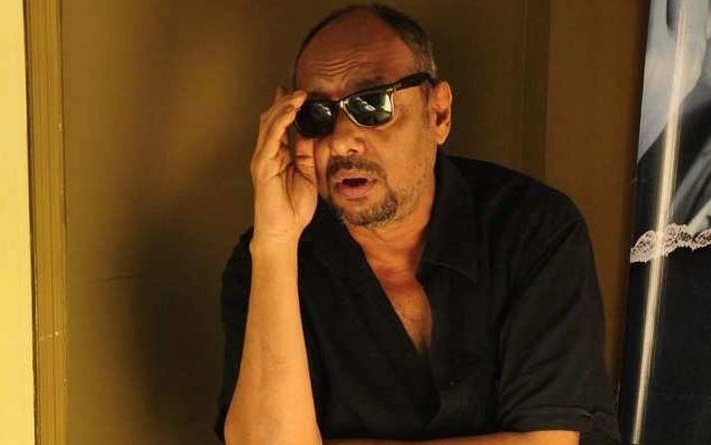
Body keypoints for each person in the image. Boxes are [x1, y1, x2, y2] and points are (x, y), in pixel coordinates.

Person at [215, 4, 619, 444]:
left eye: (373, 104)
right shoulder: (271, 258)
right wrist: (277, 240)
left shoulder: (533, 228)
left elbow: (547, 442)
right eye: (317, 115)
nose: (342, 140)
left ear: (438, 113)